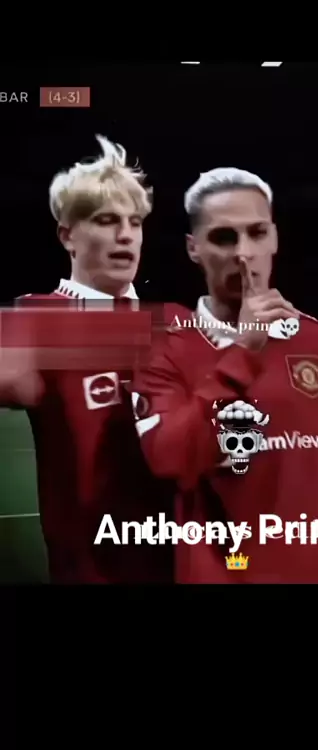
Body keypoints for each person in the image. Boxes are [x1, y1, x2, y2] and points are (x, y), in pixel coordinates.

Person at [131, 167, 318, 585]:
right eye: (224, 238)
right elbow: (170, 460)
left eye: (257, 233)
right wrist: (244, 351)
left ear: (274, 238)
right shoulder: (165, 350)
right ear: (193, 248)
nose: (243, 253)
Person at [0, 135, 173, 583]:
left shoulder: (175, 322)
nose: (126, 235)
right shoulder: (33, 319)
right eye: (106, 220)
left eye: (135, 222)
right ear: (68, 236)